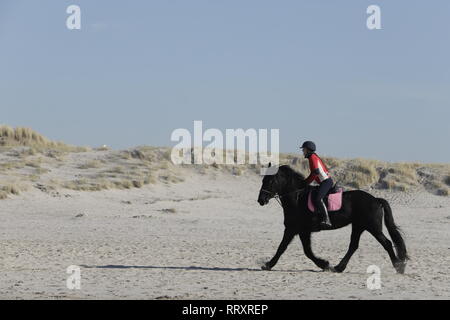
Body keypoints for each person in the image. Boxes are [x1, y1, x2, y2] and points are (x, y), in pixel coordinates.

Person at [300, 141, 333, 227]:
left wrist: (306, 182)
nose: (303, 151)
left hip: (326, 182)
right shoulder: (312, 157)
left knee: (318, 199)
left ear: (308, 150)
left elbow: (315, 173)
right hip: (323, 182)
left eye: (304, 149)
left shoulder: (313, 157)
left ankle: (327, 219)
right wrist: (306, 182)